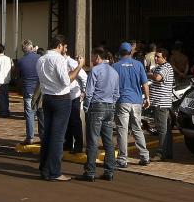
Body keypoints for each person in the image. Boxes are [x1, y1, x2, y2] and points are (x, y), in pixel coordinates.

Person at [36, 35, 84, 182]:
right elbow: (66, 81)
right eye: (65, 47)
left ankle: (45, 169)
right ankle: (54, 172)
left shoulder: (41, 59)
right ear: (60, 46)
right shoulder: (58, 59)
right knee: (57, 137)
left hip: (47, 98)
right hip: (60, 99)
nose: (66, 50)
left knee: (48, 135)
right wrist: (79, 66)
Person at [80, 48, 119, 182]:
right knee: (108, 140)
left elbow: (89, 91)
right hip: (110, 107)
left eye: (92, 57)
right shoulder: (114, 72)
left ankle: (90, 171)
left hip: (97, 106)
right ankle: (109, 170)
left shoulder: (95, 71)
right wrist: (111, 104)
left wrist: (86, 106)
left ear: (97, 57)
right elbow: (116, 93)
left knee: (93, 139)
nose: (91, 60)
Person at [114, 41, 151, 168]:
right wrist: (147, 98)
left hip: (122, 101)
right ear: (131, 52)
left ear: (120, 53)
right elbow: (145, 84)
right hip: (136, 101)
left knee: (122, 130)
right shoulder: (138, 65)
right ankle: (145, 156)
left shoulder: (115, 66)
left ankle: (122, 159)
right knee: (137, 128)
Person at [148, 48, 175, 161]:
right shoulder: (159, 67)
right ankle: (167, 152)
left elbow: (158, 78)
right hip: (159, 102)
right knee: (166, 129)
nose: (155, 58)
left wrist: (147, 74)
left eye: (158, 56)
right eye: (155, 56)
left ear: (165, 58)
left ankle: (161, 153)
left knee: (162, 129)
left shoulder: (166, 67)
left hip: (162, 103)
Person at [63, 45, 87, 154]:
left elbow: (83, 76)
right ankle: (67, 144)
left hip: (74, 95)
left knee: (75, 120)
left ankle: (78, 145)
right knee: (67, 120)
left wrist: (84, 91)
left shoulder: (71, 62)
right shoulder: (60, 61)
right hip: (65, 95)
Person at [17, 40, 42, 145]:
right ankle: (43, 137)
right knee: (41, 114)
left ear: (23, 50)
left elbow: (19, 77)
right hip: (39, 89)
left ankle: (30, 137)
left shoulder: (21, 61)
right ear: (32, 48)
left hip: (28, 89)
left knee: (29, 114)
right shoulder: (40, 58)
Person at [0, 43, 13, 118]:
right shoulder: (9, 59)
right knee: (5, 97)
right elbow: (13, 68)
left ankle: (2, 112)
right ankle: (5, 110)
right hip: (7, 80)